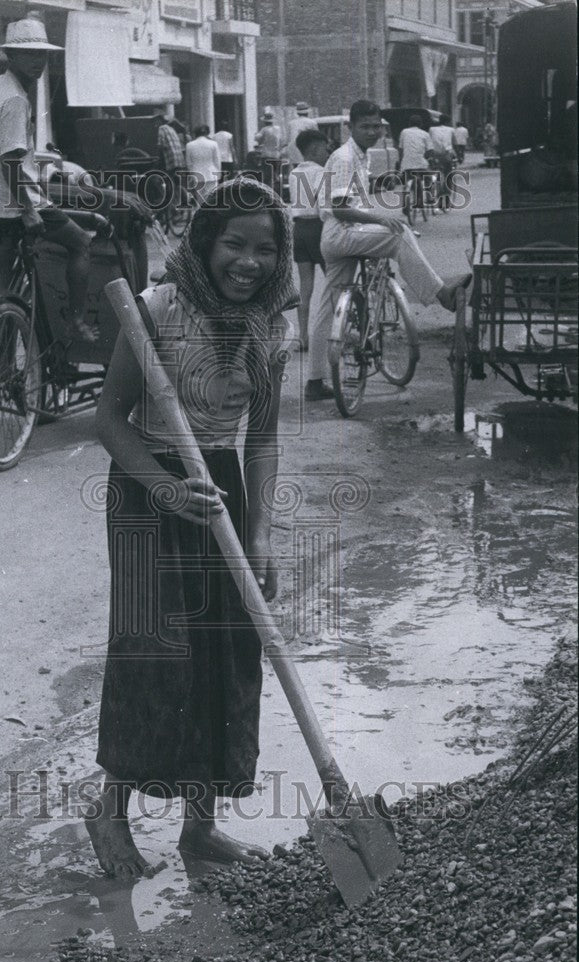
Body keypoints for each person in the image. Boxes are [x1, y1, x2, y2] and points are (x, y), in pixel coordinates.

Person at [87, 177, 299, 877]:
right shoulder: (155, 309)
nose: (249, 262)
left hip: (220, 486)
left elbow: (260, 439)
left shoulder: (270, 323)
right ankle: (109, 813)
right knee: (154, 652)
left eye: (264, 249)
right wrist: (166, 490)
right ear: (205, 244)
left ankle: (197, 830)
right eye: (234, 245)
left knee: (226, 652)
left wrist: (261, 531)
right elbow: (110, 420)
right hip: (149, 488)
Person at [307, 100, 471, 401]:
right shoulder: (345, 157)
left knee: (327, 308)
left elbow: (355, 203)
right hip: (342, 233)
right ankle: (441, 294)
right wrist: (382, 219)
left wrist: (379, 216)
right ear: (351, 127)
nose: (372, 132)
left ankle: (314, 382)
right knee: (399, 235)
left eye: (376, 127)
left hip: (338, 236)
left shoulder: (360, 155)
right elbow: (342, 209)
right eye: (365, 126)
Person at [0, 13, 98, 342]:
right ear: (10, 55)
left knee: (9, 290)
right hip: (18, 205)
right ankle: (76, 321)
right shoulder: (15, 99)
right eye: (29, 53)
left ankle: (1, 365)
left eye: (41, 54)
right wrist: (27, 210)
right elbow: (11, 160)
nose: (38, 61)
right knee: (81, 243)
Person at [288, 129, 329, 351]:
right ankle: (331, 332)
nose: (327, 152)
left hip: (299, 229)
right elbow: (323, 206)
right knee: (334, 281)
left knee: (305, 287)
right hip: (317, 227)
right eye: (325, 148)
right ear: (314, 149)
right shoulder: (321, 172)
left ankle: (303, 335)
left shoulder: (294, 173)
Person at [154, 109, 187, 203]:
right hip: (179, 160)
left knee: (160, 179)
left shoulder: (162, 128)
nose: (155, 124)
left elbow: (161, 145)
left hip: (170, 160)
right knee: (174, 181)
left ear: (160, 120)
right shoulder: (171, 129)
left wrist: (157, 159)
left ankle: (167, 200)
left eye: (156, 121)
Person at [185, 125, 221, 203]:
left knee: (200, 201)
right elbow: (217, 161)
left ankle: (203, 214)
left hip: (197, 175)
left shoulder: (189, 145)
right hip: (211, 174)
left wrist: (191, 174)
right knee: (212, 199)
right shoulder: (213, 144)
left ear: (195, 134)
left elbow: (189, 163)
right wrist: (218, 174)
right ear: (207, 133)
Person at [429, 114, 456, 211]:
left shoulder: (432, 129)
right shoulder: (451, 130)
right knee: (448, 178)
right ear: (447, 122)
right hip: (446, 156)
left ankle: (434, 200)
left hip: (435, 156)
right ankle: (447, 202)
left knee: (435, 177)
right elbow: (454, 143)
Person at [253, 111, 284, 191]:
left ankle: (268, 192)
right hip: (276, 155)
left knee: (267, 176)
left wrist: (256, 135)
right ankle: (277, 192)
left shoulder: (264, 130)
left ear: (265, 121)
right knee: (276, 175)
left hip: (266, 155)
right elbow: (282, 141)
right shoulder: (278, 129)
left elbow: (257, 139)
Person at [286, 101, 318, 166]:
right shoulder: (312, 123)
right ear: (307, 112)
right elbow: (317, 139)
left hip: (294, 152)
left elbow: (288, 140)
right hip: (306, 151)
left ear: (297, 113)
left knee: (297, 170)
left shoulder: (291, 124)